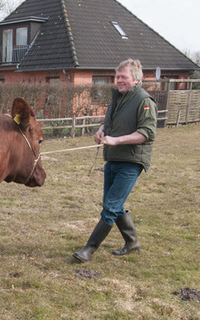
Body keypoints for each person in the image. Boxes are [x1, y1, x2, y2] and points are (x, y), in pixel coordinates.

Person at [73, 59, 157, 263]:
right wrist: (101, 131)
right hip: (112, 159)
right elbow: (110, 122)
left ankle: (88, 249)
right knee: (114, 204)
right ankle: (132, 241)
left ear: (136, 79)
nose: (118, 80)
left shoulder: (144, 101)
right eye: (117, 76)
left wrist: (117, 140)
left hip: (131, 161)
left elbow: (147, 133)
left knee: (110, 206)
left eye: (123, 77)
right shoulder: (118, 98)